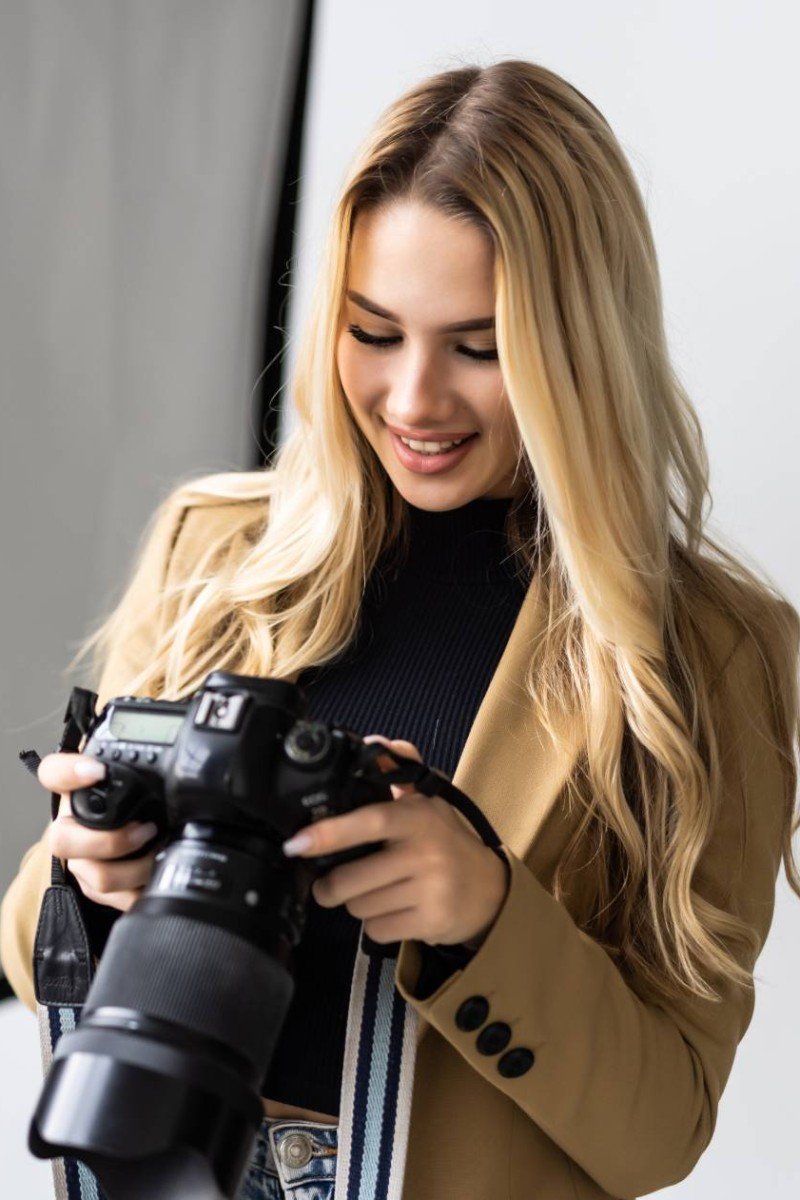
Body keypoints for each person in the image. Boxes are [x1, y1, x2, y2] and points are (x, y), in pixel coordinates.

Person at [2, 57, 799, 1200]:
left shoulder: (707, 654)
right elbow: (29, 954)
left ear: (578, 346)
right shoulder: (215, 550)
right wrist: (91, 876)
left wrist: (483, 914)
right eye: (373, 331)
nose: (413, 399)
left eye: (478, 347)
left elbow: (659, 1132)